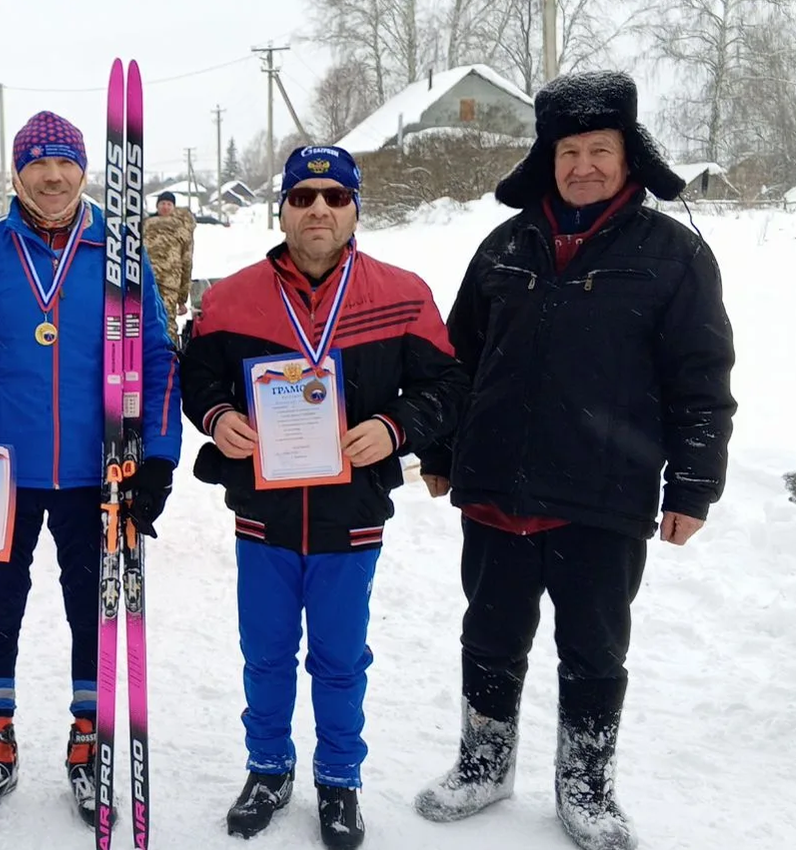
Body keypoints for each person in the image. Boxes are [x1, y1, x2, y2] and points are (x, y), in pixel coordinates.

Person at [411, 71, 736, 850]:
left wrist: (693, 484)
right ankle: (484, 763)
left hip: (602, 493)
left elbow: (701, 380)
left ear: (629, 155)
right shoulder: (504, 245)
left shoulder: (675, 254)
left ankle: (586, 784)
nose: (583, 165)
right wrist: (441, 449)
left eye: (599, 149)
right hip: (496, 484)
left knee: (593, 648)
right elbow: (458, 359)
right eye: (568, 151)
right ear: (546, 158)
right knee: (490, 633)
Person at [180, 145, 468, 848]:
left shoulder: (402, 293)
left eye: (334, 197)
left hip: (351, 513)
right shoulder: (230, 297)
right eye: (303, 197)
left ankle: (339, 778)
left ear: (354, 210)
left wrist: (395, 426)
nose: (318, 209)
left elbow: (447, 384)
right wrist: (218, 417)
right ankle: (268, 769)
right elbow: (197, 378)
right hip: (264, 512)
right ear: (282, 209)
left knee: (340, 658)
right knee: (266, 652)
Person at [0, 110, 182, 826]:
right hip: (0, 472)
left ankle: (86, 751)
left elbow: (156, 355)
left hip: (97, 472)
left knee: (92, 612)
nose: (52, 177)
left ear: (84, 171)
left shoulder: (120, 250)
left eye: (65, 164)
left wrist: (158, 456)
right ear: (18, 173)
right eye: (38, 164)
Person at [144, 190, 196, 343]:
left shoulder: (182, 230)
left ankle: (168, 353)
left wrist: (182, 298)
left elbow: (186, 262)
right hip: (145, 281)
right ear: (157, 206)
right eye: (162, 203)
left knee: (166, 321)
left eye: (169, 204)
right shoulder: (145, 226)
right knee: (146, 319)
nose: (165, 207)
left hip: (169, 283)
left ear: (174, 207)